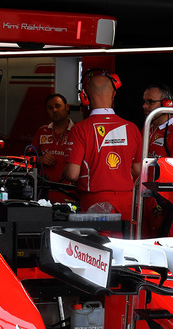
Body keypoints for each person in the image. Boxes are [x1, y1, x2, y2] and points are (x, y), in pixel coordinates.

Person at [64, 69, 142, 221]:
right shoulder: (132, 128)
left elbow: (72, 174)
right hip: (127, 200)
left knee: (96, 244)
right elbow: (138, 169)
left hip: (95, 201)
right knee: (124, 243)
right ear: (113, 95)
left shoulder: (80, 129)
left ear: (85, 97)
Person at [31, 93, 74, 203]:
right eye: (50, 108)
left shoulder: (78, 131)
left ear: (67, 107)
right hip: (44, 193)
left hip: (70, 192)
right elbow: (27, 158)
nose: (54, 110)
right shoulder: (42, 131)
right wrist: (40, 159)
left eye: (57, 106)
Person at [141, 83, 173, 158]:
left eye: (150, 102)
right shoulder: (147, 128)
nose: (144, 106)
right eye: (144, 102)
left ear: (166, 104)